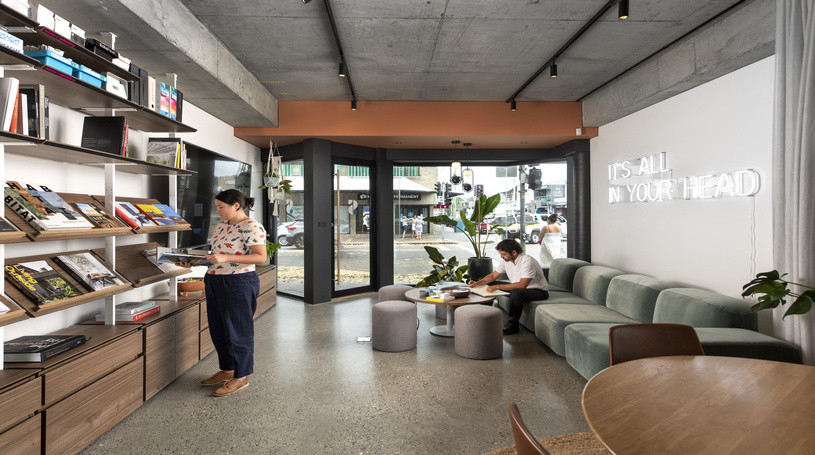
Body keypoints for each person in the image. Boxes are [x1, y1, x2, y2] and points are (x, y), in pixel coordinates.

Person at [199, 189, 267, 397]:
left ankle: (241, 376)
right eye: (216, 206)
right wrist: (194, 261)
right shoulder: (221, 226)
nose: (217, 211)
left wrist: (226, 258)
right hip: (214, 279)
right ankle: (228, 370)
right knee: (218, 329)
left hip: (238, 282)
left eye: (221, 207)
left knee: (238, 331)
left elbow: (260, 257)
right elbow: (216, 255)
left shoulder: (252, 226)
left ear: (236, 205)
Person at [467, 239, 548, 335]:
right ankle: (485, 315)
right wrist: (477, 283)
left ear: (514, 252)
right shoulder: (506, 261)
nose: (501, 257)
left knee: (516, 292)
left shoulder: (527, 261)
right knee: (490, 284)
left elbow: (522, 285)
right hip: (518, 289)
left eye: (504, 254)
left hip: (538, 291)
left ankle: (514, 324)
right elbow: (493, 276)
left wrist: (497, 287)